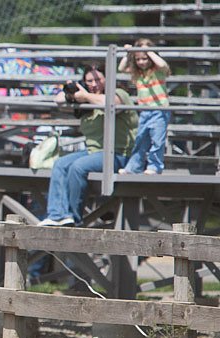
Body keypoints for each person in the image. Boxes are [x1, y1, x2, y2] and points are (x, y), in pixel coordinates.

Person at [38, 64, 138, 227]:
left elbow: (111, 103)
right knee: (60, 164)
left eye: (98, 79)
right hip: (93, 152)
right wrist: (72, 91)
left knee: (78, 167)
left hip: (119, 155)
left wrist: (85, 95)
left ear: (108, 78)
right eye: (89, 80)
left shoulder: (119, 93)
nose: (94, 84)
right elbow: (58, 100)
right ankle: (58, 215)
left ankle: (73, 218)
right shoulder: (87, 99)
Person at [118, 38, 171, 175]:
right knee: (140, 140)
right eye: (138, 59)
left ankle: (155, 166)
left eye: (145, 58)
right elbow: (121, 68)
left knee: (157, 141)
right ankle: (134, 167)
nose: (141, 62)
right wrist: (129, 53)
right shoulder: (138, 74)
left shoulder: (158, 70)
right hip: (145, 112)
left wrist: (148, 50)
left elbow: (162, 64)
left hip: (159, 110)